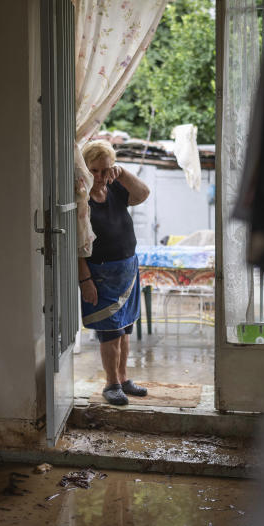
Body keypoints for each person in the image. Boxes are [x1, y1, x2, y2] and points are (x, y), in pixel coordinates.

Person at [78, 140, 151, 406]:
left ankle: (122, 377)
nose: (100, 176)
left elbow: (143, 193)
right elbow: (78, 247)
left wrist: (121, 172)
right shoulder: (80, 198)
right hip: (101, 274)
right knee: (110, 333)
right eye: (95, 170)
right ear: (85, 169)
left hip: (127, 270)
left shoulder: (116, 188)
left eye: (105, 170)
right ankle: (111, 384)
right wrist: (85, 280)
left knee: (125, 329)